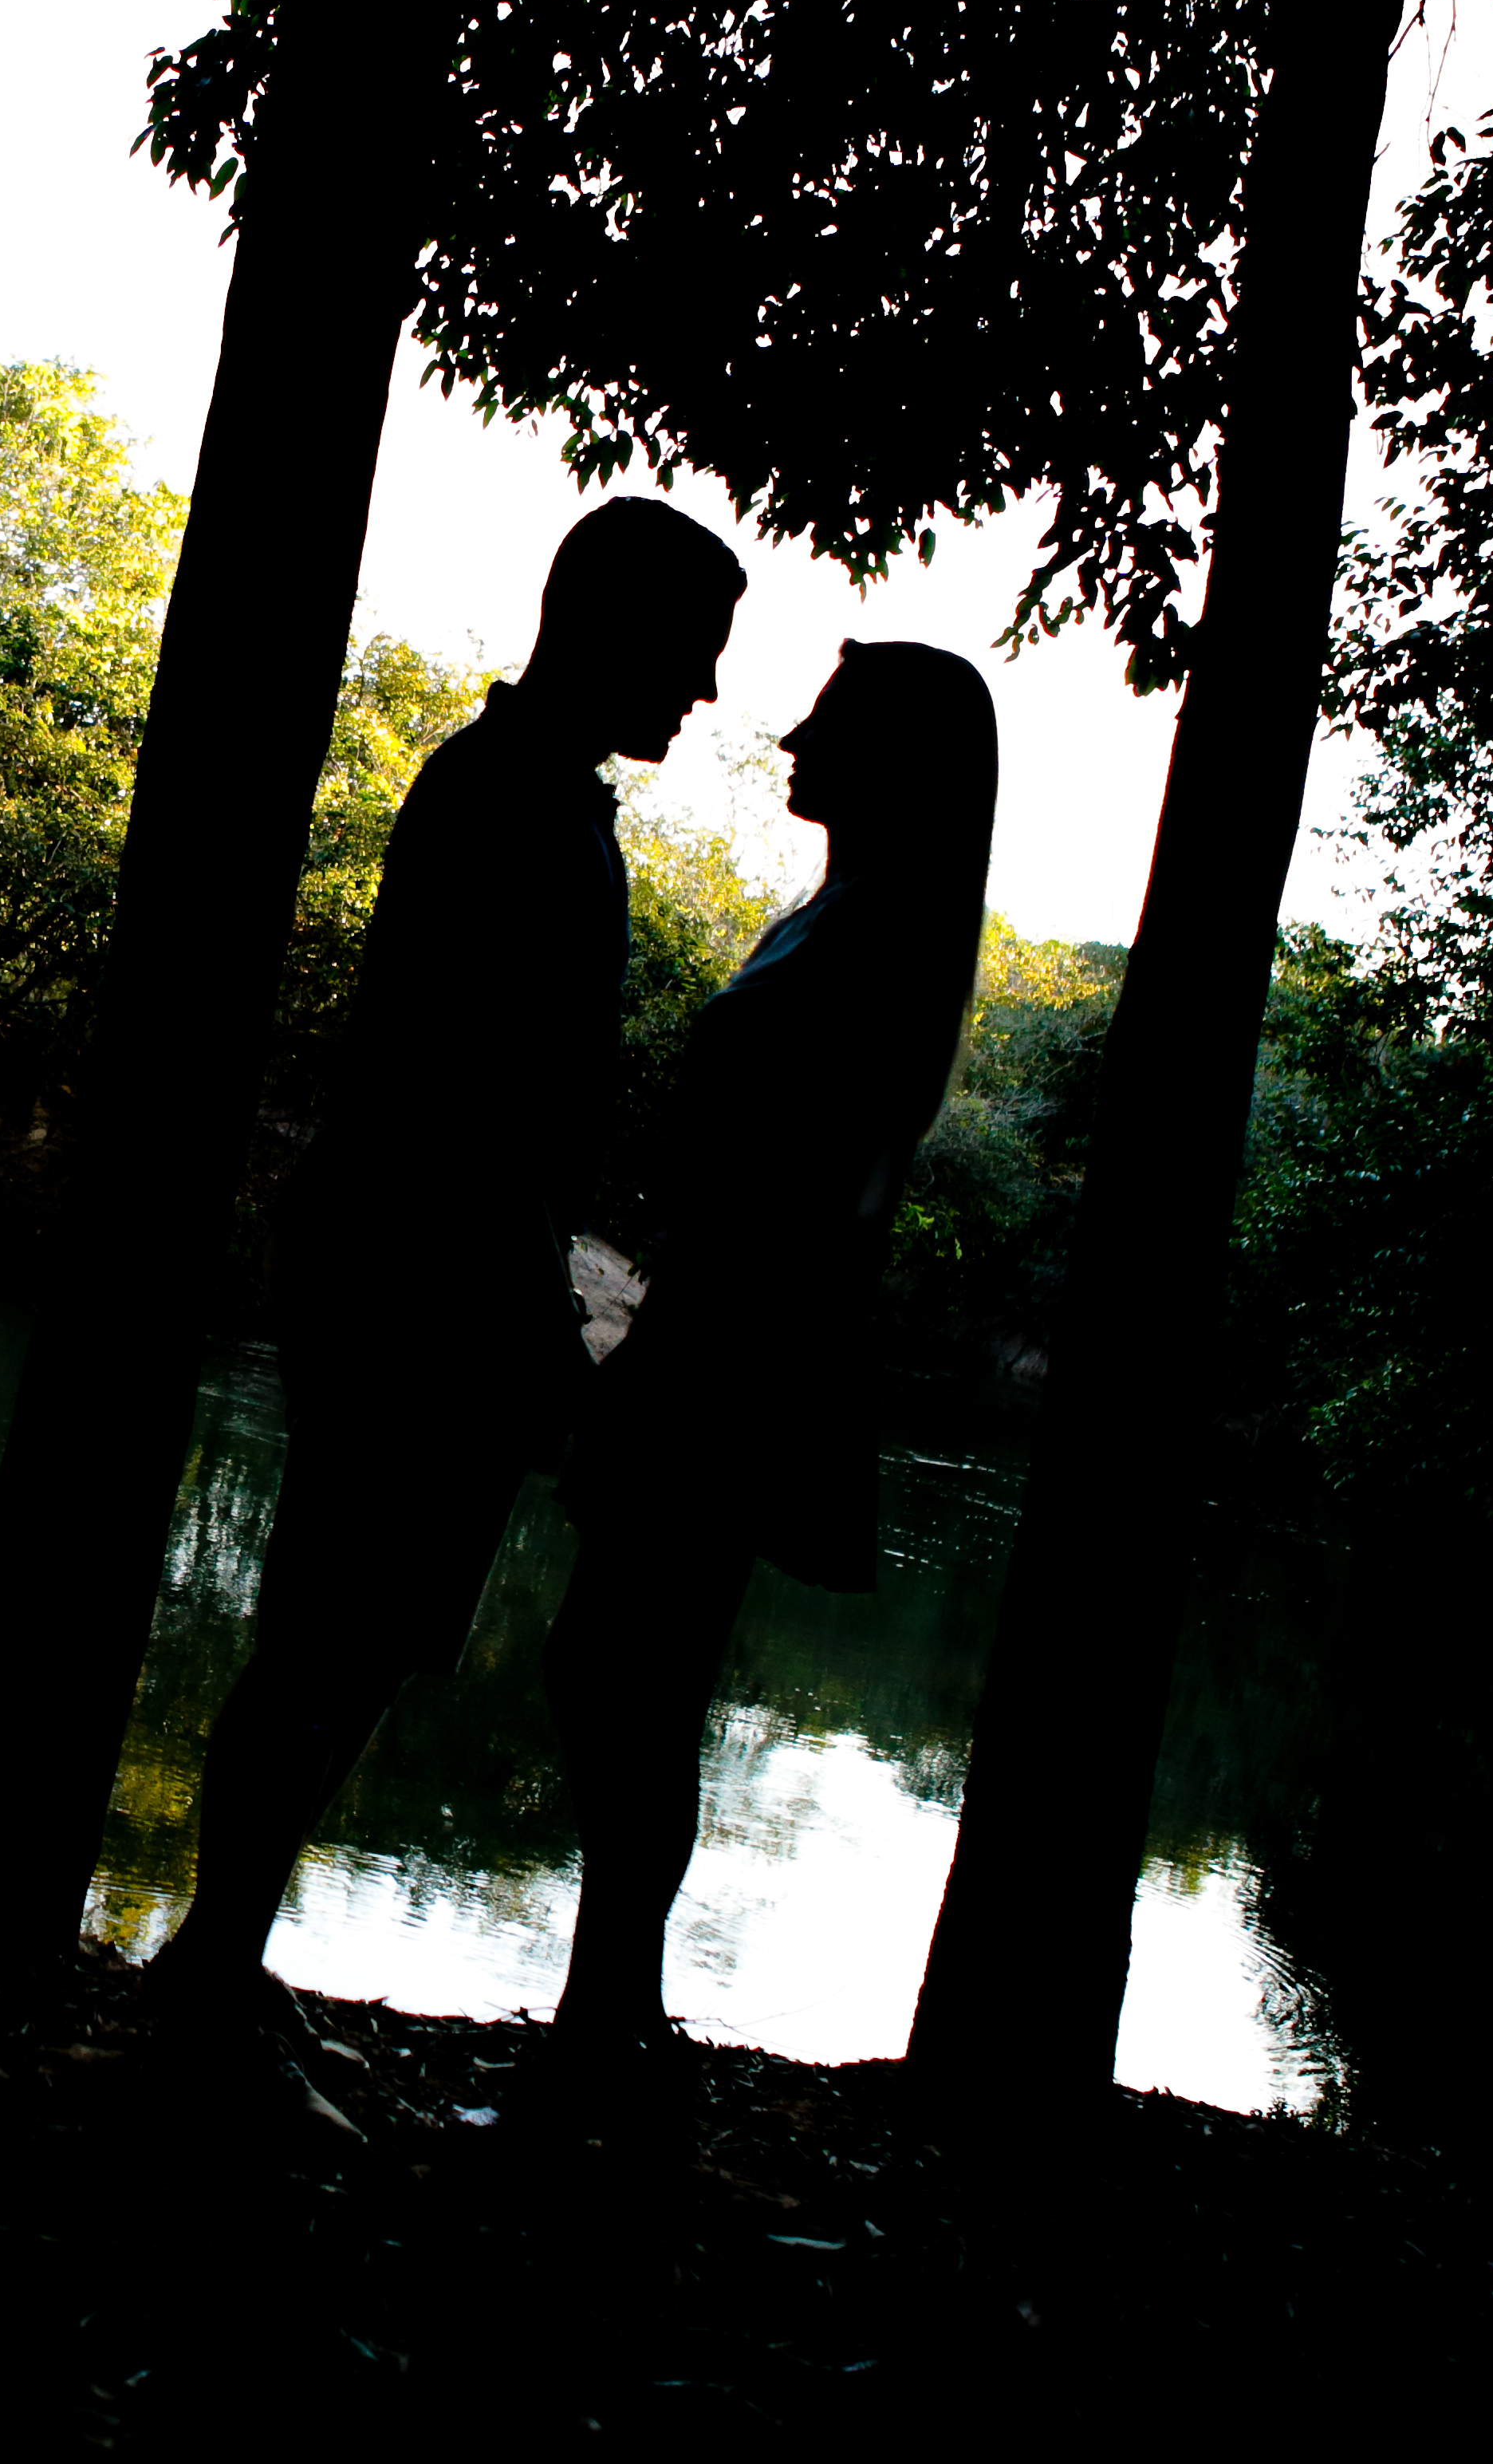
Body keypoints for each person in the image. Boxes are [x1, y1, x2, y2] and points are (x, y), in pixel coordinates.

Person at [148, 496, 749, 2017]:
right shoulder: (511, 804)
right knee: (328, 1646)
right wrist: (536, 1323)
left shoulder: (521, 791)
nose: (708, 690)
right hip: (425, 1304)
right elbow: (464, 1107)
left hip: (428, 1288)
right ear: (608, 625)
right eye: (694, 650)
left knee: (338, 1648)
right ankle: (213, 1978)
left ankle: (219, 1969)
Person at [539, 638, 999, 2044]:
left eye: (832, 721)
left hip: (739, 1339)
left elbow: (831, 1175)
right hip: (709, 1317)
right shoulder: (843, 912)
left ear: (899, 762)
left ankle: (612, 2005)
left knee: (636, 1664)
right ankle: (610, 1995)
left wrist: (701, 1319)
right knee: (616, 1663)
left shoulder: (882, 932)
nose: (792, 735)